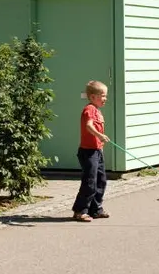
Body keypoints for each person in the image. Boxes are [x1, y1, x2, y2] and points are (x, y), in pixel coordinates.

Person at [72, 80, 110, 222]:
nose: (105, 98)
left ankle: (96, 209)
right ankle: (80, 211)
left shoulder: (97, 111)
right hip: (88, 152)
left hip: (97, 151)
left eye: (106, 96)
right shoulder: (89, 109)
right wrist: (99, 135)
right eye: (103, 96)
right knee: (90, 181)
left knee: (101, 180)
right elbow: (88, 126)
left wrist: (99, 142)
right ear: (93, 97)